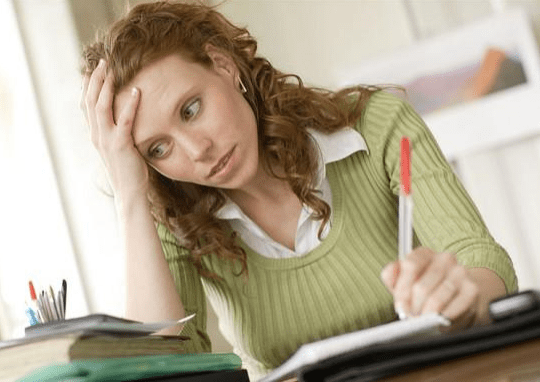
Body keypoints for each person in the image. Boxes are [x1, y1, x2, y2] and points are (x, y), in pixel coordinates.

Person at [80, 1, 517, 380]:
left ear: (224, 66)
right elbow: (162, 370)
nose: (197, 151)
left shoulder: (377, 127)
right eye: (158, 148)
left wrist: (466, 294)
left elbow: (479, 258)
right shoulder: (175, 218)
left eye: (191, 109)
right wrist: (130, 197)